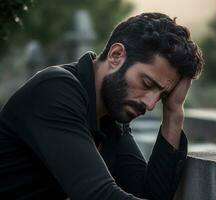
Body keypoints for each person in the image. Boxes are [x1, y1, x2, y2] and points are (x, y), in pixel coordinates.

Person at [0, 12, 203, 199]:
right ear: (116, 56)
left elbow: (149, 193)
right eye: (147, 83)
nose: (150, 104)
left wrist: (173, 111)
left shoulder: (110, 117)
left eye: (162, 95)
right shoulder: (55, 90)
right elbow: (98, 195)